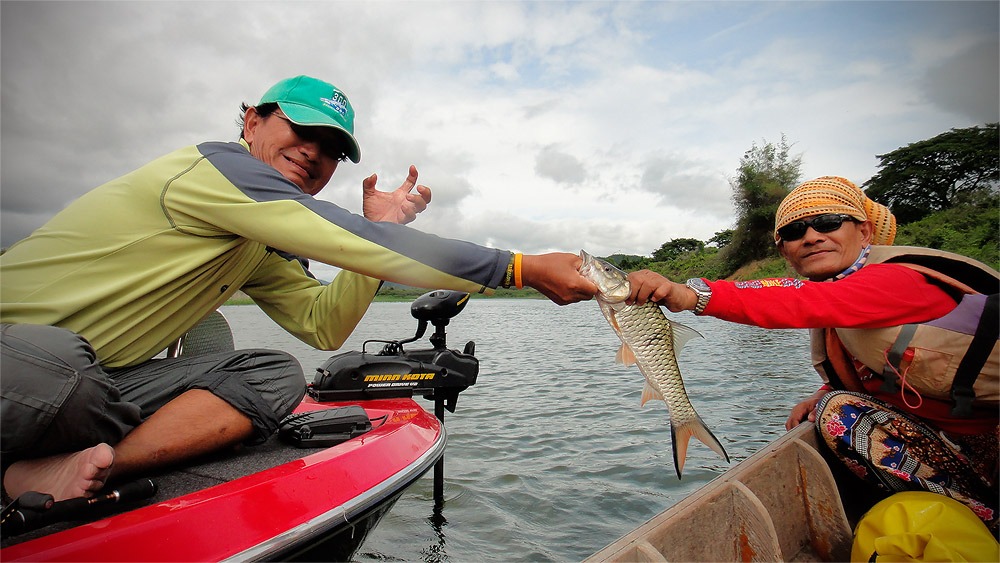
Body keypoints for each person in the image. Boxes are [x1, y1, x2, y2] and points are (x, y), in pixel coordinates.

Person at [0, 75, 598, 504]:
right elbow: (344, 234)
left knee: (273, 373)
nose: (314, 152)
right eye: (301, 129)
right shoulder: (213, 168)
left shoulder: (252, 242)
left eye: (333, 148)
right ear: (251, 122)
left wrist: (382, 233)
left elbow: (322, 324)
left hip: (101, 380)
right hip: (23, 356)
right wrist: (520, 266)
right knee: (62, 367)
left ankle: (77, 470)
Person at [624, 176, 999, 531]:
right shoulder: (834, 309)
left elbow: (803, 299)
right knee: (833, 405)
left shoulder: (902, 279)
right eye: (793, 232)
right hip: (951, 439)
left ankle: (982, 521)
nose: (811, 237)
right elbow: (872, 365)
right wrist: (823, 393)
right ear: (784, 250)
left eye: (829, 222)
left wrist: (690, 294)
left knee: (840, 415)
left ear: (865, 231)